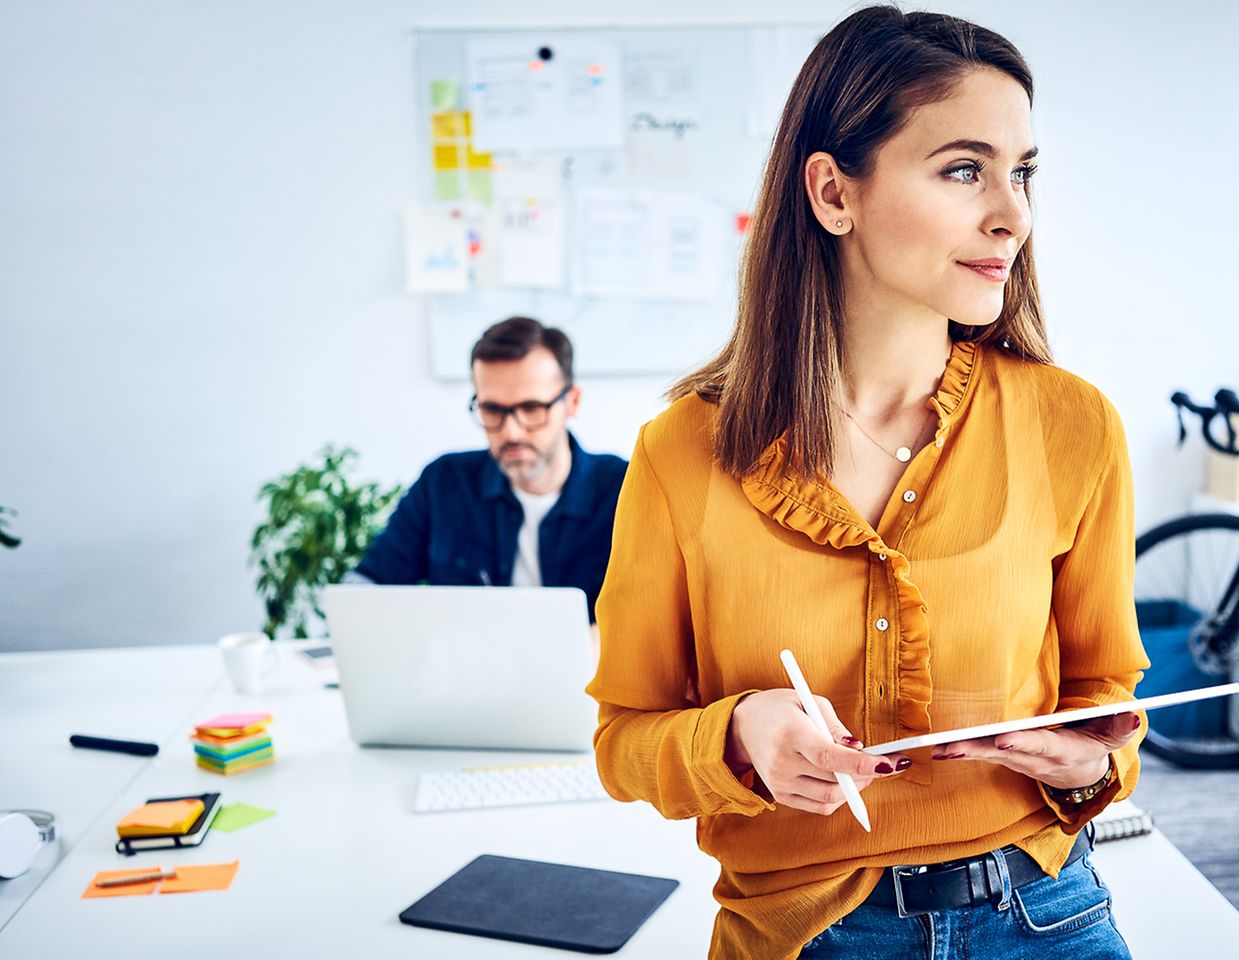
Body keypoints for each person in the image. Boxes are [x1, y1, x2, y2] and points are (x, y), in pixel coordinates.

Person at [587, 7, 1149, 959]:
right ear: (833, 193)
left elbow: (1111, 695)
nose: (1012, 214)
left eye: (1022, 173)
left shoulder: (1072, 423)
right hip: (803, 933)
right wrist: (739, 735)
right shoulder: (683, 451)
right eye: (964, 169)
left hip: (1044, 916)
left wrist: (1093, 754)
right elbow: (624, 741)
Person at [352, 316, 627, 625]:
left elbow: (654, 622)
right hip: (464, 671)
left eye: (532, 409)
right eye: (492, 410)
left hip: (586, 674)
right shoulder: (444, 483)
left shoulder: (625, 491)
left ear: (572, 401)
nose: (511, 432)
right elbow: (368, 586)